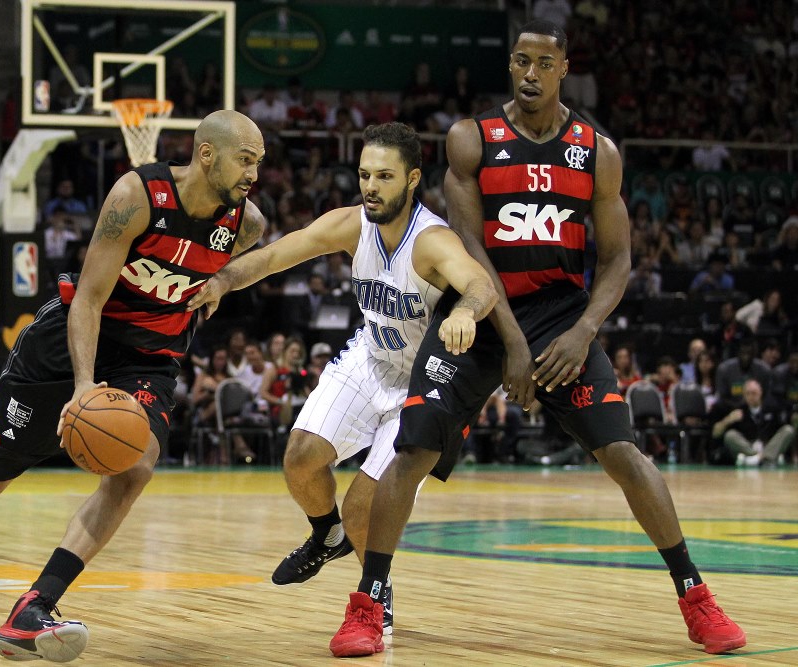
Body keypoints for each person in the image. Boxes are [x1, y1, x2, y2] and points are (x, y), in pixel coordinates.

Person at [325, 21, 745, 658]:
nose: (528, 73)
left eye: (542, 64)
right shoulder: (472, 140)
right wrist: (513, 344)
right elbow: (469, 249)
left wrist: (581, 332)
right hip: (478, 308)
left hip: (559, 319)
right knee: (409, 451)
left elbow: (619, 260)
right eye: (519, 61)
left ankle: (696, 597)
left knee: (623, 454)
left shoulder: (596, 150)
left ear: (563, 69)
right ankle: (368, 603)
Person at [0, 110, 268, 661]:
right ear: (207, 154)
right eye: (246, 159)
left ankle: (34, 606)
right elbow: (88, 299)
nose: (253, 172)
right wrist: (84, 385)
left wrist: (225, 281)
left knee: (136, 465)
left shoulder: (245, 224)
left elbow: (232, 266)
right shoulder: (138, 197)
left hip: (150, 357)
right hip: (72, 342)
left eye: (259, 162)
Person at [188, 122, 496, 637]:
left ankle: (374, 594)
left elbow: (480, 284)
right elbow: (278, 253)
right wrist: (222, 279)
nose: (370, 186)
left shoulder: (432, 240)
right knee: (300, 458)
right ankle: (326, 534)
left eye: (384, 176)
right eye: (364, 174)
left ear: (413, 179)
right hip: (370, 357)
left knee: (364, 507)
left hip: (420, 382)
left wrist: (465, 312)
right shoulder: (352, 225)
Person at [712, 379, 794, 467]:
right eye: (748, 393)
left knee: (788, 430)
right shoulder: (739, 410)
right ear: (744, 395)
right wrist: (728, 420)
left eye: (754, 393)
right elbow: (715, 433)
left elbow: (780, 431)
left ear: (760, 393)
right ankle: (763, 458)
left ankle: (756, 459)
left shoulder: (772, 409)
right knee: (730, 435)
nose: (751, 396)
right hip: (748, 447)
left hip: (768, 446)